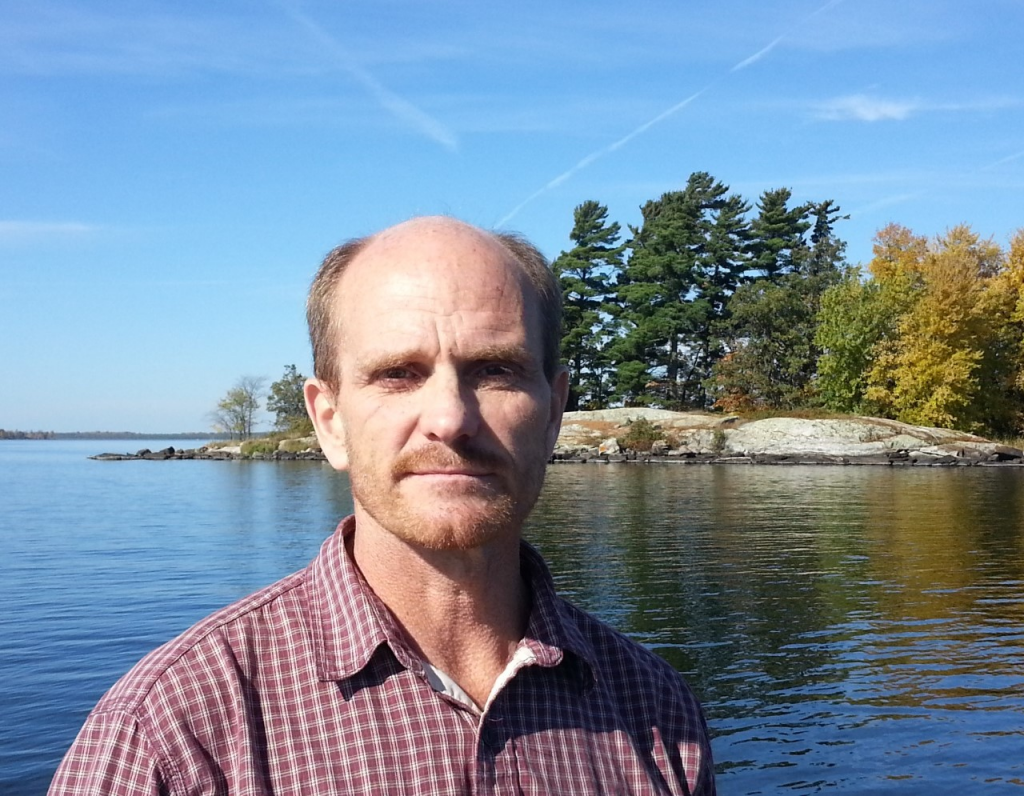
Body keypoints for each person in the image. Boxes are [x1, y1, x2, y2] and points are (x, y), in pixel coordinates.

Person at [50, 217, 716, 795]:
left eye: (496, 370)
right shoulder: (173, 730)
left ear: (552, 414)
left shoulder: (655, 709)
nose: (451, 420)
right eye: (399, 374)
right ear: (330, 421)